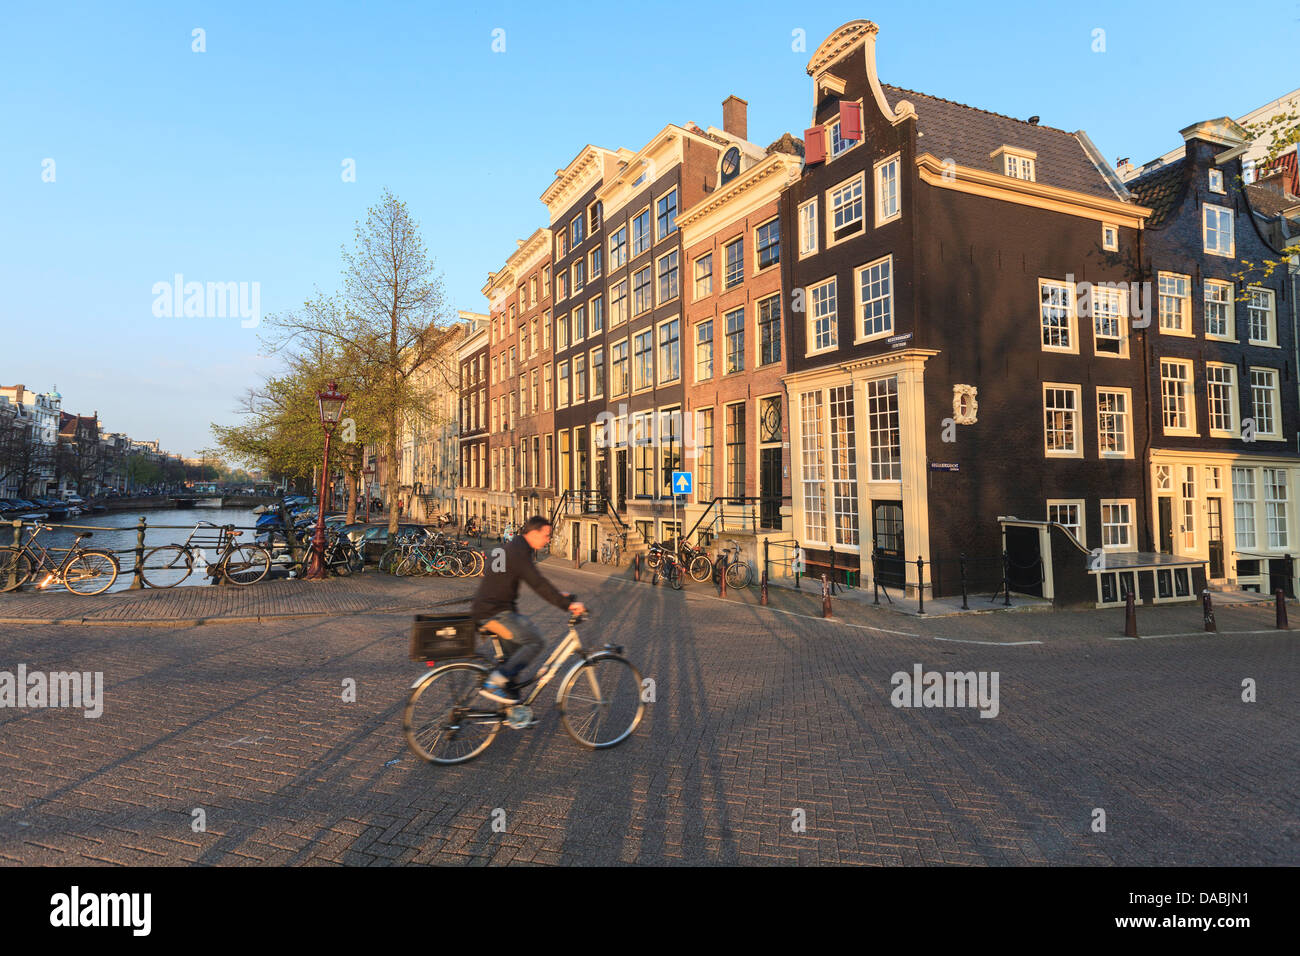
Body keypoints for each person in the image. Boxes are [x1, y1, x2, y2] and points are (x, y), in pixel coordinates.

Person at [470, 515, 585, 705]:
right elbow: (538, 584)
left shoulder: (512, 547)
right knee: (535, 641)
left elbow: (530, 581)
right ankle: (494, 683)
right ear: (533, 533)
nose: (548, 540)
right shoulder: (520, 552)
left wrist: (558, 595)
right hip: (494, 614)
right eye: (546, 535)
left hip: (491, 608)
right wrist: (567, 605)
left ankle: (511, 705)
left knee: (514, 656)